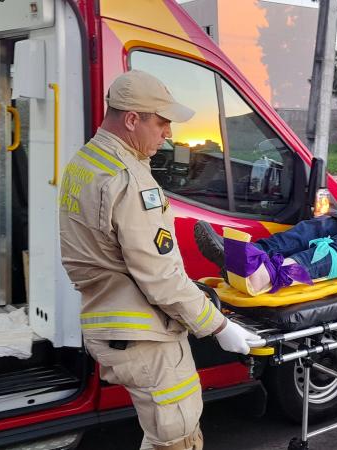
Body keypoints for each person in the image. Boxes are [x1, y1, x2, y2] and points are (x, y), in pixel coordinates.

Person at [59, 70, 258, 450]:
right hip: (146, 338)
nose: (168, 133)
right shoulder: (128, 180)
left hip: (109, 322)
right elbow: (161, 277)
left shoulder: (85, 163)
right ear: (132, 119)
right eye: (162, 122)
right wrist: (219, 327)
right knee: (177, 438)